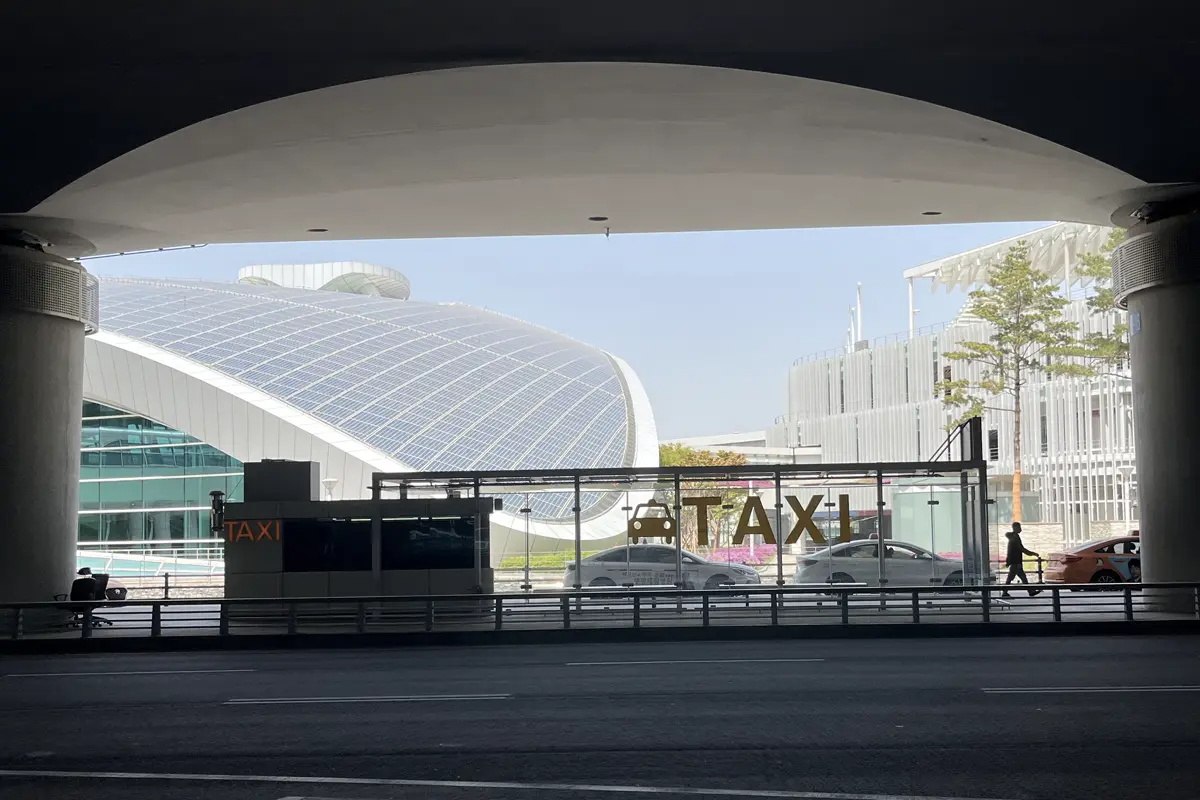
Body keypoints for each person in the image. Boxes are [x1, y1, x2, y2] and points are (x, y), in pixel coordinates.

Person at [1002, 521, 1041, 597]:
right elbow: (1022, 549)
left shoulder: (1013, 537)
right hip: (1016, 562)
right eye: (1019, 527)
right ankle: (1005, 592)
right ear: (1015, 528)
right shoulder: (1015, 538)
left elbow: (1010, 551)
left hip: (1015, 562)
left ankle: (1030, 591)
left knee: (1021, 577)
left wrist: (1008, 561)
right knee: (1013, 578)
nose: (1021, 529)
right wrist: (1033, 553)